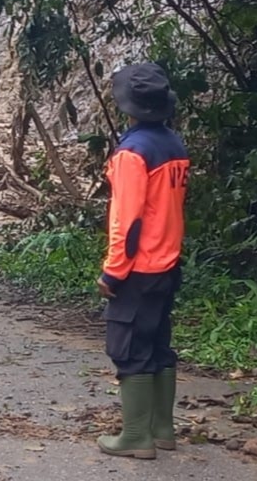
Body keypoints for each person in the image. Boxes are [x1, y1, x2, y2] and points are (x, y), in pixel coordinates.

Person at [96, 63, 190, 460]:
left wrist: (113, 272)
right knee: (157, 345)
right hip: (168, 263)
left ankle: (136, 437)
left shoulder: (132, 153)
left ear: (127, 106)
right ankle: (162, 429)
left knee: (129, 348)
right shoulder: (173, 145)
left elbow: (128, 220)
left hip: (139, 267)